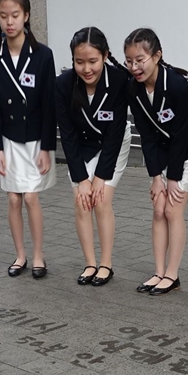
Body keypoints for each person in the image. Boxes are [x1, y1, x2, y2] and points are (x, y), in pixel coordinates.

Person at [125, 28, 188, 295]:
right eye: (129, 61)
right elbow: (147, 136)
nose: (135, 67)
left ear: (157, 55)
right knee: (158, 208)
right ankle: (158, 271)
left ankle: (172, 275)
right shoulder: (134, 89)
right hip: (165, 150)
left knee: (173, 210)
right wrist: (155, 177)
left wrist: (172, 177)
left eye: (140, 60)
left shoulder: (175, 84)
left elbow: (182, 134)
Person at [0, 0, 57, 279]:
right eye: (4, 16)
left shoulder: (43, 56)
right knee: (13, 198)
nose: (9, 22)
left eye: (15, 15)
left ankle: (39, 255)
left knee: (30, 198)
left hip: (36, 138)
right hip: (10, 139)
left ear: (26, 16)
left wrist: (46, 146)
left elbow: (49, 104)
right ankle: (20, 255)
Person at [56, 27, 131, 286]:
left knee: (100, 200)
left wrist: (100, 176)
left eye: (93, 61)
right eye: (79, 62)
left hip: (113, 144)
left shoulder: (120, 80)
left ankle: (106, 264)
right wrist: (82, 178)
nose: (86, 69)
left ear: (105, 56)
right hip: (81, 147)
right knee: (81, 201)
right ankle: (89, 262)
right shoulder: (63, 84)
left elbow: (115, 132)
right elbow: (67, 135)